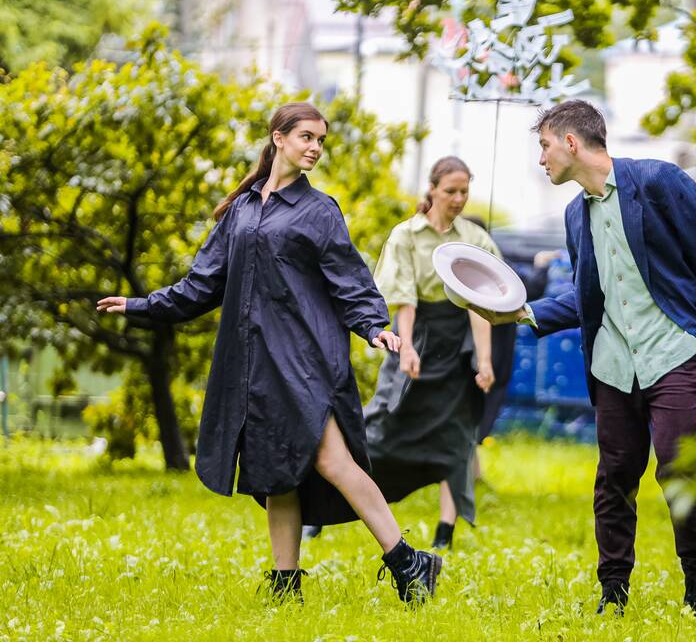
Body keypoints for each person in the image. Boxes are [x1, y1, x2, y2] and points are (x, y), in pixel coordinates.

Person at [96, 102, 441, 605]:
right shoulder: (241, 210)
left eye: (320, 140)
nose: (315, 148)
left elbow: (350, 280)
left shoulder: (319, 211)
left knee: (332, 460)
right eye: (306, 137)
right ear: (278, 138)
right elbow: (201, 286)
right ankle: (285, 586)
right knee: (273, 468)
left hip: (307, 361)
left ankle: (408, 562)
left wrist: (374, 328)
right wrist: (140, 304)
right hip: (253, 366)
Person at [472, 100, 696, 617]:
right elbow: (587, 297)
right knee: (614, 477)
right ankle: (613, 592)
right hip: (613, 363)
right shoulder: (575, 215)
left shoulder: (659, 181)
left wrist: (692, 324)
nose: (541, 159)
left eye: (544, 146)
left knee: (678, 468)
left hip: (673, 352)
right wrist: (522, 312)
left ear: (571, 142)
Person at [363, 156, 497, 551]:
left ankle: (445, 533)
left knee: (456, 440)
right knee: (378, 430)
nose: (458, 199)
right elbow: (403, 298)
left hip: (456, 350)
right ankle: (329, 505)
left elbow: (483, 305)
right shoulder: (407, 235)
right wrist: (405, 350)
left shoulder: (475, 239)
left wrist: (484, 361)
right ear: (433, 189)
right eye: (450, 191)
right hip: (415, 339)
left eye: (464, 192)